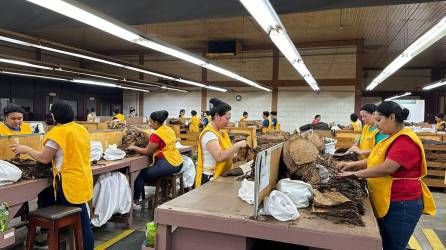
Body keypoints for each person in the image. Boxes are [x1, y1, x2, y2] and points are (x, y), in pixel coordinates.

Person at [337, 101, 436, 250]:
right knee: (386, 242)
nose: (376, 125)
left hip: (402, 202)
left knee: (394, 246)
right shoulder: (390, 138)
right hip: (390, 199)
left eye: (379, 120)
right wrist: (351, 165)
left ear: (391, 117)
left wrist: (355, 174)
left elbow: (386, 168)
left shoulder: (405, 140)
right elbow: (374, 161)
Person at [11, 101, 94, 250]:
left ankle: (50, 233)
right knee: (82, 217)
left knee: (80, 220)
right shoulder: (80, 129)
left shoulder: (57, 132)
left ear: (54, 116)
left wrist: (25, 149)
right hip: (83, 178)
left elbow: (44, 158)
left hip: (69, 182)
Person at [130, 110, 183, 203]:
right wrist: (140, 131)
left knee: (140, 174)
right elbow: (152, 138)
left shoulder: (157, 134)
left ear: (156, 122)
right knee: (148, 171)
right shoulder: (167, 129)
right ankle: (165, 191)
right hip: (178, 162)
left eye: (151, 122)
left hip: (168, 164)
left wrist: (134, 147)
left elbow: (147, 151)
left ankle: (136, 201)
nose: (149, 124)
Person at [195, 98, 247, 187]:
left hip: (222, 174)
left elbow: (227, 152)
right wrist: (237, 145)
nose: (228, 122)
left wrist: (238, 155)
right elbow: (219, 156)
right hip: (210, 178)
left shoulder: (222, 132)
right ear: (217, 116)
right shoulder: (209, 134)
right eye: (227, 118)